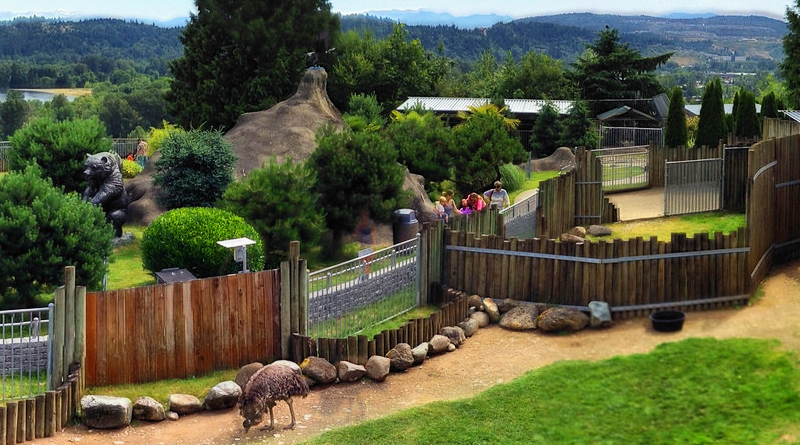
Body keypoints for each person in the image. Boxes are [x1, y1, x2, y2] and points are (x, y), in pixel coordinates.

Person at [354, 209, 376, 276]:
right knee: (363, 259)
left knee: (368, 259)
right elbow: (356, 233)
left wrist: (373, 244)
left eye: (365, 215)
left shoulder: (370, 223)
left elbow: (373, 234)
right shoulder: (359, 224)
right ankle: (364, 273)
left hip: (369, 244)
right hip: (362, 244)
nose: (363, 217)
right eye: (362, 216)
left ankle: (367, 272)